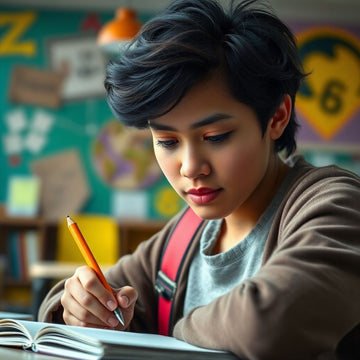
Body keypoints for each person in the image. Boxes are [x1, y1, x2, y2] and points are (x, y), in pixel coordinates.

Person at [38, 0, 360, 358]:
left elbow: (267, 323)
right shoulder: (185, 233)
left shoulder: (336, 204)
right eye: (167, 142)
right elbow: (82, 296)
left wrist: (174, 327)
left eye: (216, 136)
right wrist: (78, 304)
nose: (190, 167)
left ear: (276, 117)